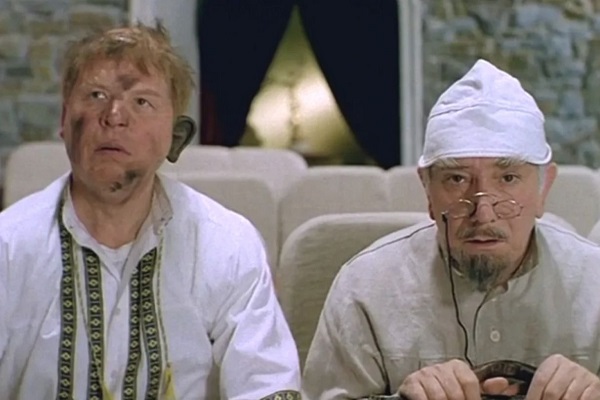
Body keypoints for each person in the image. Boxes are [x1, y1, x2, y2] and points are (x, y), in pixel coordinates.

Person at [0, 22, 301, 399]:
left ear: (177, 136)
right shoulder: (8, 245)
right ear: (64, 120)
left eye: (141, 102)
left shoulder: (227, 244)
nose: (113, 116)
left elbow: (267, 384)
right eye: (95, 95)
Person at [302, 59, 600, 399]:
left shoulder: (594, 283)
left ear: (544, 188)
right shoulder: (365, 288)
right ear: (427, 190)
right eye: (457, 179)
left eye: (508, 178)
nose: (483, 214)